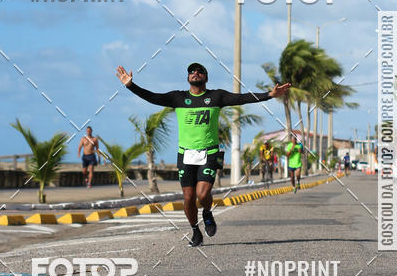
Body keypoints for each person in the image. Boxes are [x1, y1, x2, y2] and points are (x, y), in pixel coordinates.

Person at [116, 63, 290, 246]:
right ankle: (194, 230)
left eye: (200, 71)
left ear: (206, 77)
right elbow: (153, 97)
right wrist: (130, 86)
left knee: (202, 193)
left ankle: (207, 212)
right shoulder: (178, 98)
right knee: (189, 197)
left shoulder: (216, 96)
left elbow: (243, 98)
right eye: (191, 71)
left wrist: (269, 95)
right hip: (185, 155)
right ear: (188, 77)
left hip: (209, 153)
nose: (195, 73)